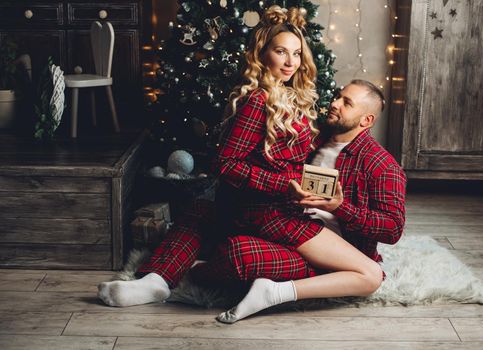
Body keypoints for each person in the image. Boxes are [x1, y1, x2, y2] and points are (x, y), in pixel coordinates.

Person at [97, 5, 324, 307]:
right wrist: (283, 185)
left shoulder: (295, 98)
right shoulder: (259, 100)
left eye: (296, 54)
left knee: (202, 213)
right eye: (281, 52)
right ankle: (157, 280)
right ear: (262, 54)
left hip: (283, 206)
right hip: (263, 207)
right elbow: (226, 164)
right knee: (205, 212)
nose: (290, 62)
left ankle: (169, 277)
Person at [202, 79, 407, 323]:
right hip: (289, 226)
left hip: (336, 247)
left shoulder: (382, 166)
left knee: (240, 254)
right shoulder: (311, 140)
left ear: (366, 120)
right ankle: (328, 279)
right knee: (225, 235)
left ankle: (281, 290)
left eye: (346, 103)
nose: (334, 103)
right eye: (338, 96)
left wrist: (340, 209)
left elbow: (392, 229)